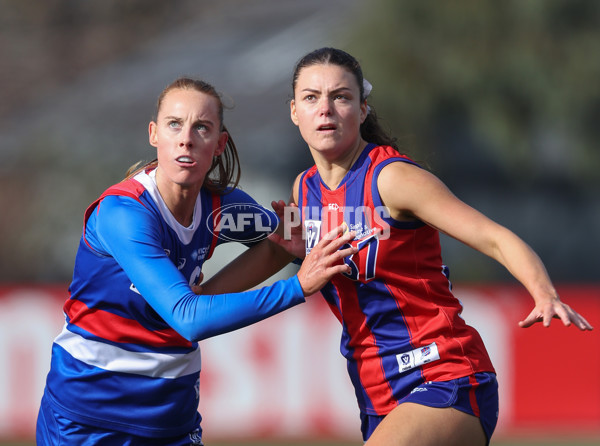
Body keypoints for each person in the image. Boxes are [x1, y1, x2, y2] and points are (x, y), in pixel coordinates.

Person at [205, 48, 593, 445]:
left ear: (362, 109)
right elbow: (277, 251)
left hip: (445, 373)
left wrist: (544, 292)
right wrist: (192, 303)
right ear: (294, 111)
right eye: (311, 97)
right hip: (376, 393)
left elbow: (493, 237)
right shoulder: (303, 190)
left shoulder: (393, 178)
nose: (325, 109)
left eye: (341, 97)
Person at [35, 76, 358, 446]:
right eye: (175, 124)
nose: (186, 138)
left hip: (172, 419)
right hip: (90, 421)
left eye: (202, 127)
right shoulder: (123, 213)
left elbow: (284, 241)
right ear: (155, 134)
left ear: (219, 144)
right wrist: (298, 287)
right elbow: (189, 318)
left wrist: (360, 217)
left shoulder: (223, 207)